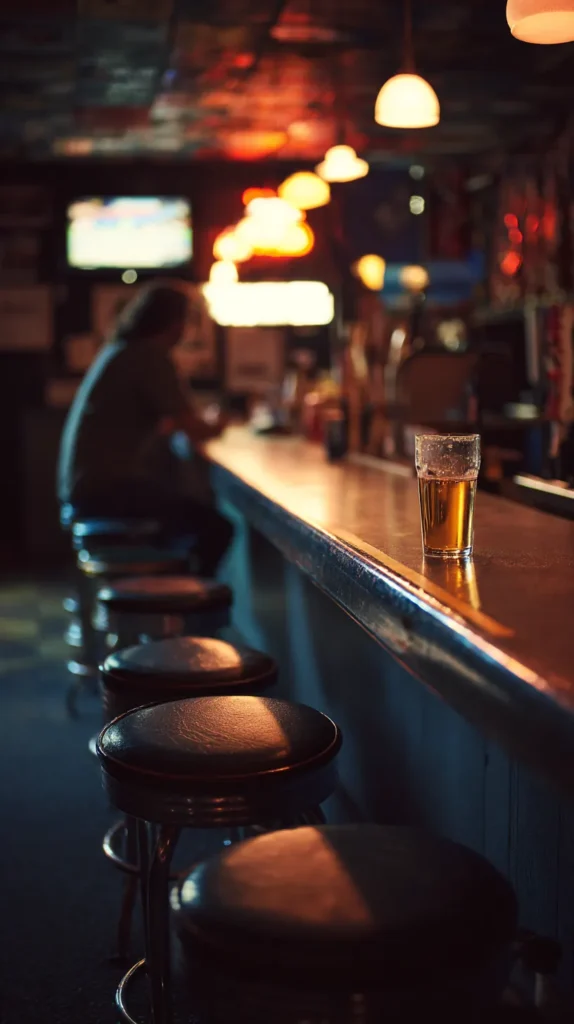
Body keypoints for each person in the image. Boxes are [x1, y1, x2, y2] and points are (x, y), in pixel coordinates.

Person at [57, 281, 233, 578]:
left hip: (85, 488)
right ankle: (176, 601)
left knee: (181, 517)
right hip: (103, 492)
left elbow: (170, 419)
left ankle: (156, 594)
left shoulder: (121, 350)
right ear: (174, 323)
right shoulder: (149, 356)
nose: (186, 330)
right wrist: (223, 423)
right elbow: (192, 426)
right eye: (185, 321)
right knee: (215, 527)